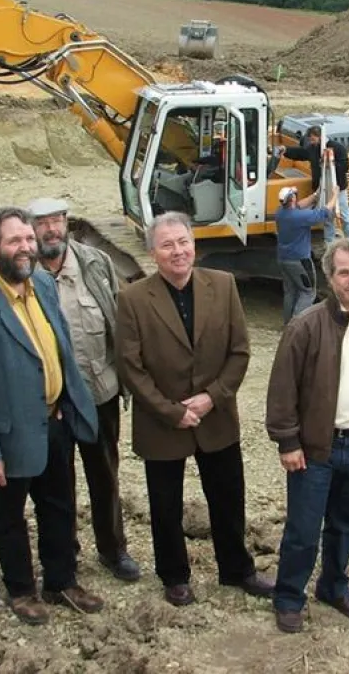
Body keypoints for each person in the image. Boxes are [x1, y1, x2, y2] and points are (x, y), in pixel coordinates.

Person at [0, 207, 104, 626]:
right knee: (10, 517)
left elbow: (60, 353)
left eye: (29, 240)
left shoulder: (43, 288)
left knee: (59, 507)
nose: (26, 248)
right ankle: (21, 589)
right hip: (9, 437)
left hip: (54, 424)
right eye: (15, 241)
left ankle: (61, 581)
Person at [115, 211, 274, 607]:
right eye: (167, 245)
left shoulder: (223, 286)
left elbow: (239, 352)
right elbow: (130, 367)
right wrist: (171, 411)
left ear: (194, 245)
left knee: (228, 497)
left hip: (215, 415)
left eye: (183, 242)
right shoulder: (132, 299)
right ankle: (174, 576)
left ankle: (237, 569)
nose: (178, 251)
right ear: (153, 252)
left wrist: (211, 397)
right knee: (165, 504)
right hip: (162, 422)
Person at [266, 238, 349, 634]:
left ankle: (333, 586)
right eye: (344, 272)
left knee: (344, 524)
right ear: (329, 276)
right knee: (304, 530)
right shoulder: (305, 326)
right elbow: (282, 389)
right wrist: (288, 442)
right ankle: (289, 597)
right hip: (314, 448)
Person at [26, 197, 140, 584]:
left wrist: (127, 380)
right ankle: (65, 554)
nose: (51, 228)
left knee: (105, 475)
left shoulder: (96, 263)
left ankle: (113, 550)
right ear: (32, 229)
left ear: (66, 223)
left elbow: (118, 320)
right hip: (51, 404)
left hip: (100, 393)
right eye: (42, 222)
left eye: (57, 220)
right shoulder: (21, 274)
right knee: (56, 483)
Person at [274, 185, 337, 324]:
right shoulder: (299, 216)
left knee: (290, 291)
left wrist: (315, 195)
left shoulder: (280, 213)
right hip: (300, 261)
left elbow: (300, 205)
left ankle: (288, 324)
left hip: (283, 259)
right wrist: (334, 195)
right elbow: (324, 213)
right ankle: (297, 326)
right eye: (295, 195)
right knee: (308, 292)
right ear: (292, 199)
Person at [282, 124, 349, 242]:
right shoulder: (313, 148)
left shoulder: (337, 148)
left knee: (344, 217)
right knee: (327, 219)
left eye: (313, 139)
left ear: (320, 137)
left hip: (337, 188)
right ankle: (329, 245)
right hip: (321, 189)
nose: (311, 142)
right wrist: (286, 150)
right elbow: (301, 153)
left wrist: (328, 164)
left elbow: (345, 167)